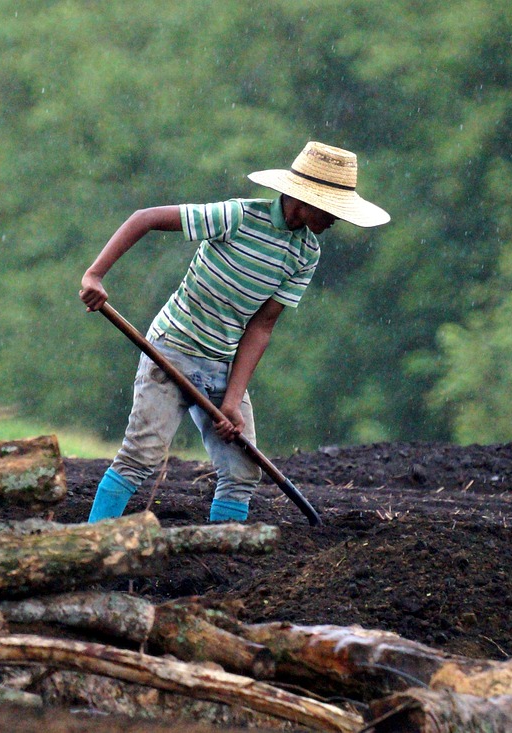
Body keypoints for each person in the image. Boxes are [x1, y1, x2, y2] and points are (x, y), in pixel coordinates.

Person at [79, 141, 390, 523]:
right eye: (334, 211)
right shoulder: (237, 216)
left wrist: (233, 400)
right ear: (305, 200)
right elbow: (145, 218)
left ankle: (224, 557)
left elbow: (261, 327)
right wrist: (95, 275)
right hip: (171, 349)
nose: (337, 221)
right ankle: (91, 540)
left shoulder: (306, 253)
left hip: (221, 364)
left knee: (243, 473)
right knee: (140, 458)